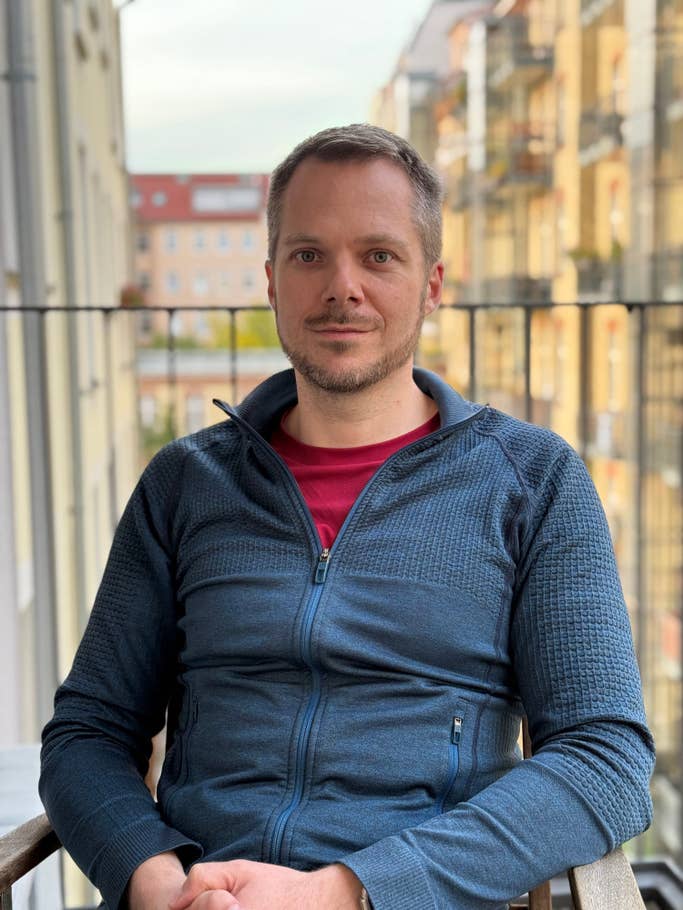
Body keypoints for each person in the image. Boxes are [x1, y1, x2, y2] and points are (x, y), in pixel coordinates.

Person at [40, 124, 654, 910]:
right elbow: (88, 730)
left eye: (378, 256)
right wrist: (153, 878)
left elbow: (604, 760)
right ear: (270, 280)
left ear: (431, 283)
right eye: (308, 256)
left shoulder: (532, 482)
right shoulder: (185, 482)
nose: (342, 287)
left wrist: (346, 891)